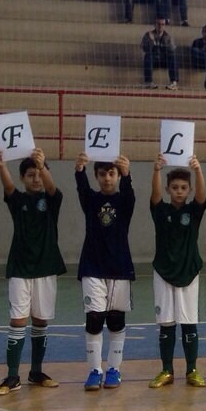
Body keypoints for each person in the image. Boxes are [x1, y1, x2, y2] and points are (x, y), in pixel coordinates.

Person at [0, 145, 64, 396]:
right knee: (18, 320)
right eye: (30, 174)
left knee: (41, 320)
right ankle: (12, 377)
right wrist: (2, 166)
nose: (36, 178)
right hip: (20, 268)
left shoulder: (52, 200)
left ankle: (36, 371)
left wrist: (42, 165)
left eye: (39, 173)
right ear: (23, 177)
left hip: (46, 268)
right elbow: (9, 187)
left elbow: (53, 188)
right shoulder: (18, 201)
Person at [74, 151, 134, 391]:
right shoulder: (90, 201)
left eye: (112, 173)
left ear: (118, 175)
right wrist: (79, 170)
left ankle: (114, 369)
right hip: (92, 266)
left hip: (119, 268)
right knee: (94, 319)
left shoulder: (124, 202)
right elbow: (81, 189)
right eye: (102, 174)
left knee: (116, 321)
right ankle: (95, 369)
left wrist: (127, 172)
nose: (107, 178)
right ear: (96, 176)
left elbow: (130, 192)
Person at [149, 153, 206, 389]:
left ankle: (192, 369)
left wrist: (198, 170)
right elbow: (153, 197)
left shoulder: (193, 212)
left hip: (189, 272)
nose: (179, 191)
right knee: (166, 323)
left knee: (189, 322)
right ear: (167, 188)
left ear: (189, 189)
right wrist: (155, 170)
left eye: (184, 187)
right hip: (163, 272)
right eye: (174, 187)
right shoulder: (160, 211)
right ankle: (166, 370)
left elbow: (203, 197)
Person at [141, 17, 179, 90]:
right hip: (153, 59)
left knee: (173, 57)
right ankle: (149, 82)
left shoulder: (168, 36)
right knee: (148, 56)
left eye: (162, 24)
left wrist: (163, 44)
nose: (160, 26)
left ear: (164, 25)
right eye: (158, 24)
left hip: (164, 60)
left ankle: (173, 83)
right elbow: (144, 48)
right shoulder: (148, 35)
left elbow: (172, 49)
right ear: (154, 25)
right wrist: (151, 41)